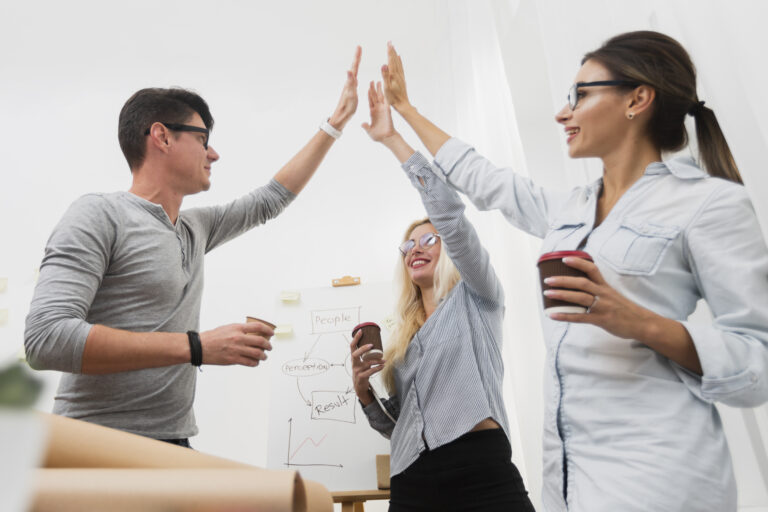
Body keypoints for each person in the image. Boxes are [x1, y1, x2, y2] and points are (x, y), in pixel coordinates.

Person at [379, 32, 768, 512]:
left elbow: (757, 365)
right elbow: (484, 179)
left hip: (660, 475)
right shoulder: (570, 211)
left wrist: (637, 321)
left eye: (581, 95)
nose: (564, 113)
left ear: (637, 99)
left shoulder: (708, 203)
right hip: (570, 482)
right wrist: (405, 111)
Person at [24, 48, 362, 446]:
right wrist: (197, 346)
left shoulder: (195, 228)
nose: (214, 153)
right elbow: (45, 340)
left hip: (174, 441)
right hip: (96, 444)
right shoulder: (98, 215)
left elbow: (271, 199)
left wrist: (335, 125)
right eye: (203, 139)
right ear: (162, 136)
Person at [350, 81, 535, 511]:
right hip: (412, 477)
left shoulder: (479, 297)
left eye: (428, 240)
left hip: (479, 467)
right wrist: (364, 394)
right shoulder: (403, 337)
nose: (416, 248)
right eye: (408, 245)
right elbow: (400, 426)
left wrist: (393, 139)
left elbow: (449, 214)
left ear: (448, 248)